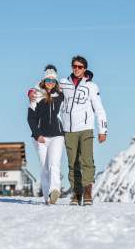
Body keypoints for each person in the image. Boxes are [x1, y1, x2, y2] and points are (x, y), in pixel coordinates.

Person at [29, 56, 107, 206]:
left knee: (87, 161)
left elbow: (99, 109)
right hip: (68, 130)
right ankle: (76, 194)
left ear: (85, 69)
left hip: (85, 128)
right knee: (72, 163)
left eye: (79, 67)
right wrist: (30, 91)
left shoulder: (92, 86)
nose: (76, 69)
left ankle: (88, 192)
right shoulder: (64, 83)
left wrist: (103, 130)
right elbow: (45, 85)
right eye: (74, 66)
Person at [27, 65, 65, 205]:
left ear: (56, 82)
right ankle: (46, 195)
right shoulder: (36, 95)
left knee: (54, 164)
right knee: (44, 166)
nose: (50, 83)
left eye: (53, 80)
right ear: (43, 80)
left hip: (57, 135)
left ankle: (54, 191)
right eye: (48, 80)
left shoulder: (60, 95)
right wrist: (37, 135)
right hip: (40, 137)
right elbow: (30, 118)